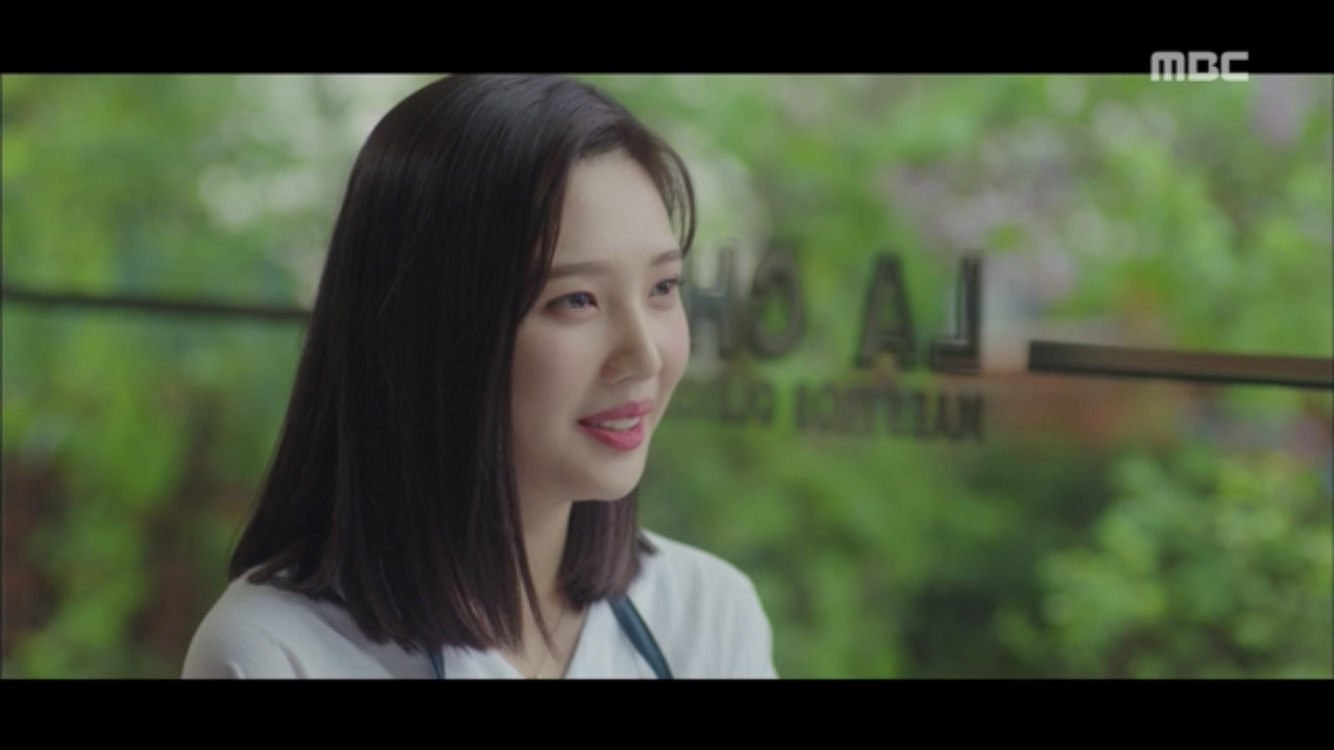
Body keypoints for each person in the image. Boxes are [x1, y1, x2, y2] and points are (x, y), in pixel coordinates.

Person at [182, 74, 777, 679]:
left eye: (663, 287)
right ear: (429, 329)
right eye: (576, 300)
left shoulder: (709, 617)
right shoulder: (274, 652)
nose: (644, 357)